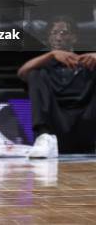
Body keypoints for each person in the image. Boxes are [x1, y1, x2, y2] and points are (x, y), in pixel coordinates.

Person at [18, 17, 96, 156]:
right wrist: (51, 55)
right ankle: (43, 136)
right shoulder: (44, 66)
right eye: (54, 33)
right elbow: (22, 73)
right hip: (55, 129)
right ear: (48, 38)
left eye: (63, 33)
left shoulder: (88, 63)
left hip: (86, 124)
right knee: (35, 74)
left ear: (74, 38)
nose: (58, 37)